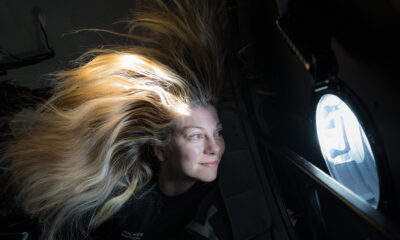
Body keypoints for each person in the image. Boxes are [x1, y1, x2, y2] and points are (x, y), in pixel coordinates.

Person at [0, 0, 233, 239]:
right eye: (196, 136)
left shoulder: (209, 180)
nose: (215, 148)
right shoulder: (125, 203)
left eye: (217, 132)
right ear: (161, 150)